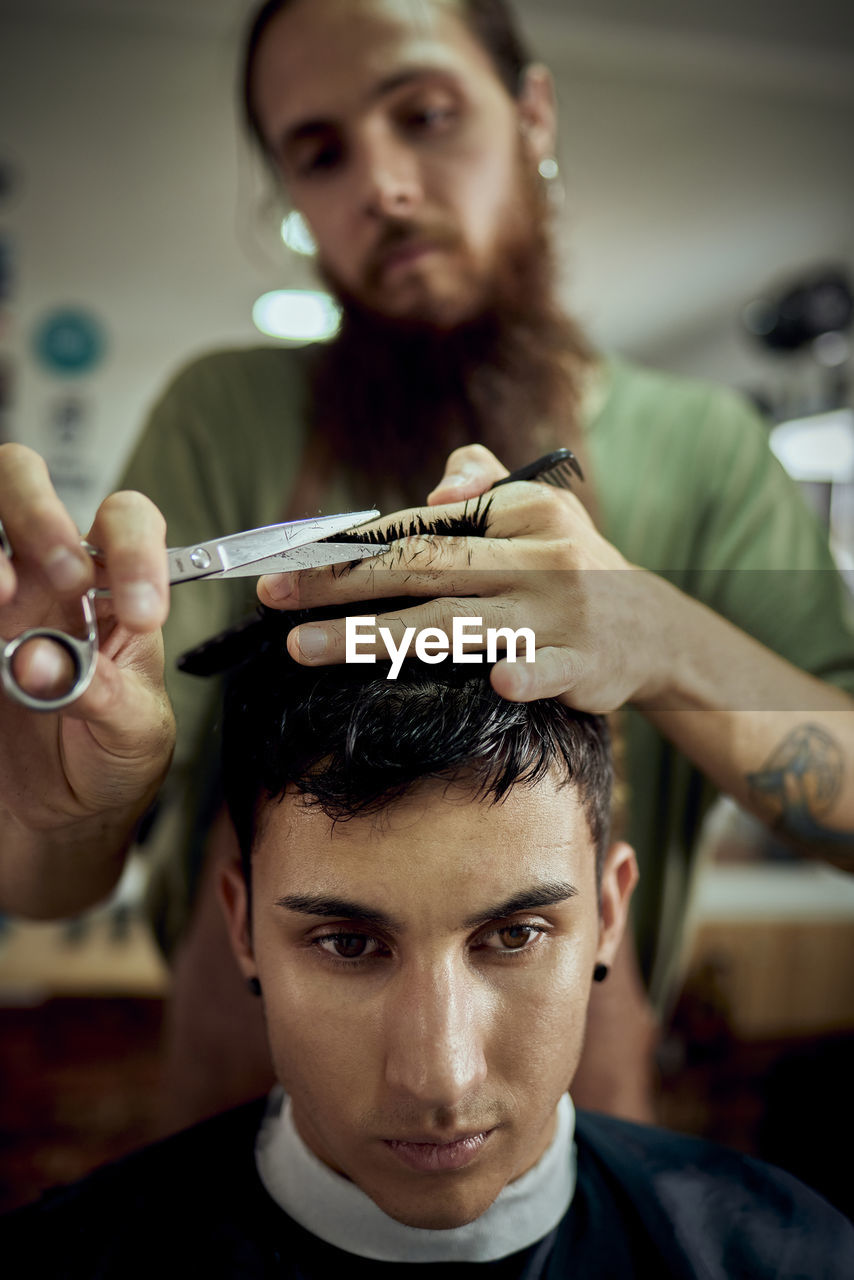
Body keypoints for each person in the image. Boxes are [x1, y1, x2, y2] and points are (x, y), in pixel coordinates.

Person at [0, 0, 853, 1124]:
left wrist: (656, 636)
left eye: (426, 113)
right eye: (319, 151)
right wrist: (55, 800)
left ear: (530, 112)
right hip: (239, 1127)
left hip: (574, 1145)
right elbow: (49, 885)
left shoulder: (705, 451)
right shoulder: (223, 417)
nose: (384, 184)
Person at [2, 596, 852, 1278]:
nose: (440, 1077)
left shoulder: (789, 1257)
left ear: (610, 914)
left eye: (515, 935)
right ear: (243, 927)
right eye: (348, 944)